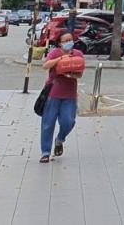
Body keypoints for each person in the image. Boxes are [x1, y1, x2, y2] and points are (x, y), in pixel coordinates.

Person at [39, 32, 83, 163]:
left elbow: (79, 74)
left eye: (71, 39)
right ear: (60, 43)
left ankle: (60, 139)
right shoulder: (55, 53)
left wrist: (72, 75)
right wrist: (61, 59)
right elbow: (45, 65)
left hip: (69, 94)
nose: (69, 42)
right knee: (48, 123)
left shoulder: (78, 54)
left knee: (69, 121)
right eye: (66, 40)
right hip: (53, 93)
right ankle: (45, 152)